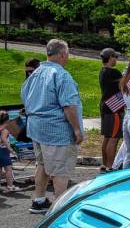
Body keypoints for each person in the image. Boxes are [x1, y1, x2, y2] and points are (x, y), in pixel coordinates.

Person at [21, 39, 84, 213]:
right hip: (57, 131)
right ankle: (59, 209)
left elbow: (24, 96)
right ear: (63, 54)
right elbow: (69, 106)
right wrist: (77, 130)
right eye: (68, 53)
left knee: (42, 165)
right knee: (60, 170)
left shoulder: (35, 73)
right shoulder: (62, 75)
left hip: (36, 128)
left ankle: (39, 200)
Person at [98, 48, 123, 173]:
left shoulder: (102, 71)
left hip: (104, 106)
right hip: (115, 109)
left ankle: (104, 165)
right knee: (114, 138)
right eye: (115, 57)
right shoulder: (114, 72)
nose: (116, 59)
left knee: (107, 137)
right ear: (110, 57)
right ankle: (109, 167)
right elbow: (125, 85)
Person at [0, 111, 16, 191]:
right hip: (3, 151)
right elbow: (4, 139)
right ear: (7, 120)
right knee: (8, 169)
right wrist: (11, 149)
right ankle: (10, 185)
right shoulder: (5, 129)